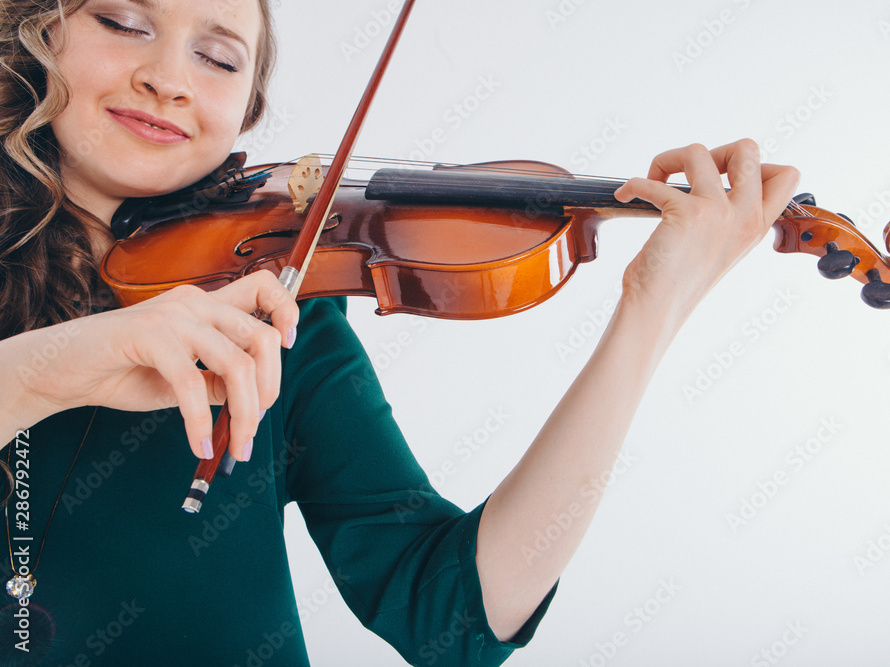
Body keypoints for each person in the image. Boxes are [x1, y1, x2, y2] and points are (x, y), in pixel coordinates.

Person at [0, 0, 799, 665]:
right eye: (122, 21)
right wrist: (51, 367)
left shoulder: (278, 302)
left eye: (218, 58)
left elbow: (450, 613)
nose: (169, 79)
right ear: (38, 33)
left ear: (245, 108)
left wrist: (650, 308)